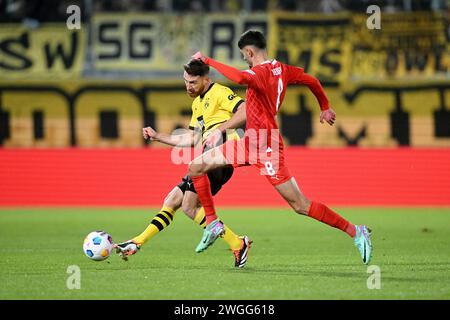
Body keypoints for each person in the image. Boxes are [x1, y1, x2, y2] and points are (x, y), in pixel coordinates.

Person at [188, 30, 373, 264]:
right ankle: (213, 224)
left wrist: (208, 60)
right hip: (249, 143)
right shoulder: (283, 70)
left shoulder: (258, 73)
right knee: (196, 167)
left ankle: (356, 232)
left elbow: (238, 78)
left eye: (244, 56)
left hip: (267, 148)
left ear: (249, 52)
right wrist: (324, 106)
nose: (245, 60)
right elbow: (312, 81)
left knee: (300, 205)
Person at [114, 59, 252, 268]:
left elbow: (245, 110)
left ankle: (237, 243)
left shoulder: (220, 92)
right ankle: (136, 242)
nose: (189, 86)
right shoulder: (197, 103)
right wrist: (158, 136)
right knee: (172, 200)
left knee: (189, 206)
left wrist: (219, 131)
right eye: (186, 81)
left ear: (207, 79)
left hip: (221, 155)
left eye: (193, 82)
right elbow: (193, 138)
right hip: (206, 157)